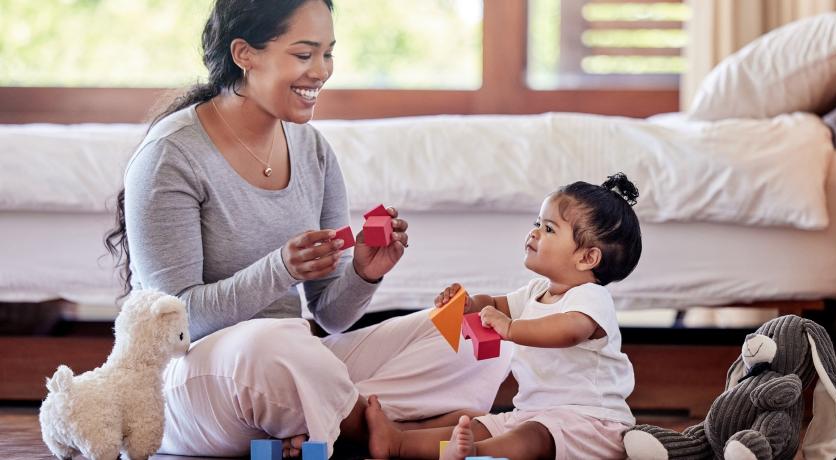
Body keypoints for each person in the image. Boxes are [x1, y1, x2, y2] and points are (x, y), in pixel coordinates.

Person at [106, 0, 510, 457]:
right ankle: (385, 431)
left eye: (328, 54)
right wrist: (280, 269)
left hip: (290, 367)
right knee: (275, 344)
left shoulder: (313, 149)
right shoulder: (171, 156)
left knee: (476, 326)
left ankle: (316, 431)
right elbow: (175, 321)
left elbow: (330, 318)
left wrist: (363, 272)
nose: (320, 71)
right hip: (194, 384)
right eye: (304, 55)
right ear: (245, 54)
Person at [365, 173, 643, 460]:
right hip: (533, 413)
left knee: (531, 437)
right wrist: (469, 304)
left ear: (586, 258)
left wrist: (510, 329)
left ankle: (474, 454)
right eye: (537, 223)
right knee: (480, 425)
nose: (534, 233)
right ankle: (397, 443)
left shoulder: (590, 296)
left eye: (548, 229)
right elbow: (498, 304)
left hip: (588, 423)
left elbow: (569, 330)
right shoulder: (537, 290)